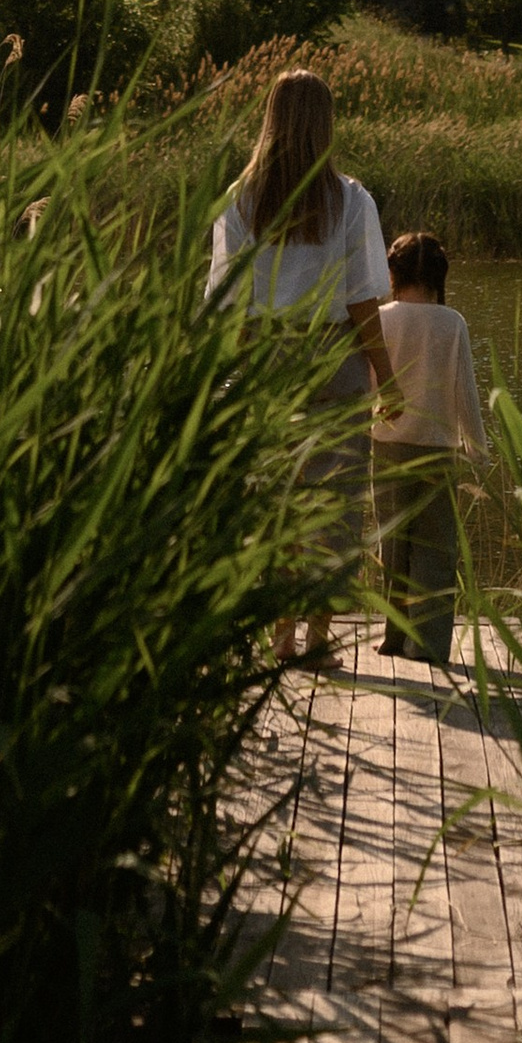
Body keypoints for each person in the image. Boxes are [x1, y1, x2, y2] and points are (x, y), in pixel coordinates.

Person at [208, 66, 392, 668]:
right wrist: (385, 376)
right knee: (336, 499)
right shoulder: (351, 200)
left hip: (267, 359)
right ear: (325, 126)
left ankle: (279, 636)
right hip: (333, 355)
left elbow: (229, 302)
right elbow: (365, 297)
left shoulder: (243, 201)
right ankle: (318, 638)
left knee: (277, 498)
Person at [371, 230, 484, 666]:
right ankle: (429, 644)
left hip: (387, 444)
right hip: (437, 447)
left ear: (393, 273)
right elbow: (465, 390)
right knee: (436, 548)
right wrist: (476, 448)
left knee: (393, 543)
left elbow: (369, 384)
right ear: (439, 275)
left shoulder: (381, 318)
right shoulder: (451, 322)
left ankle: (393, 637)